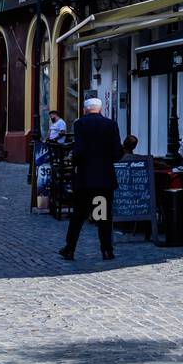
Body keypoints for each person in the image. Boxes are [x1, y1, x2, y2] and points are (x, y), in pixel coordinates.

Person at [59, 97, 121, 261]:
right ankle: (106, 250)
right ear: (100, 109)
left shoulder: (80, 124)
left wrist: (75, 162)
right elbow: (116, 153)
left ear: (85, 110)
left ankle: (70, 249)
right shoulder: (110, 125)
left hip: (86, 179)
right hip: (103, 179)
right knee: (102, 216)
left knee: (78, 215)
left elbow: (79, 150)